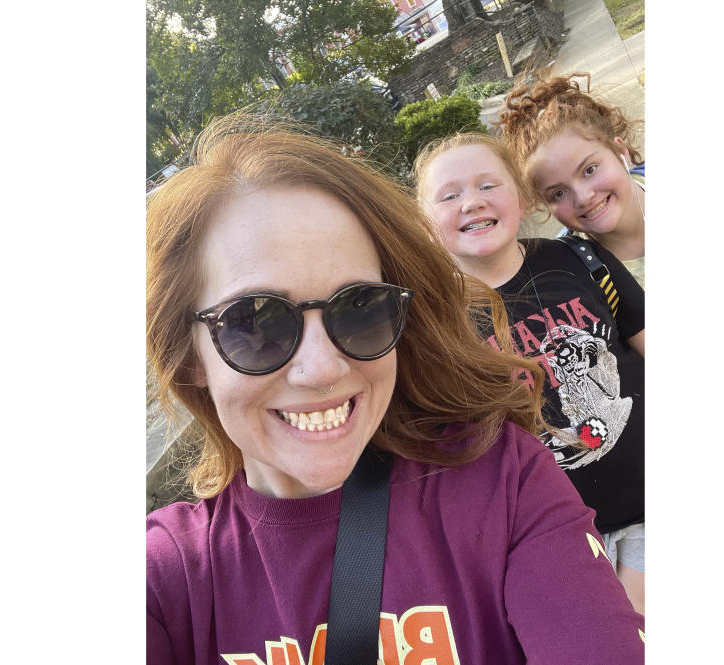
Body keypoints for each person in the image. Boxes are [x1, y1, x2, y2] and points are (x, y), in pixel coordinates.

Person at [146, 113, 645, 664]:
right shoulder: (166, 579)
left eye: (360, 308)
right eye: (255, 323)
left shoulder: (504, 482)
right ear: (188, 355)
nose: (322, 369)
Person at [414, 132, 646, 614]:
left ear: (522, 197)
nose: (472, 203)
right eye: (450, 195)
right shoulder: (434, 324)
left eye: (487, 185)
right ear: (425, 222)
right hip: (557, 537)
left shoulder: (581, 259)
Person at [500, 73, 646, 288]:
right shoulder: (571, 279)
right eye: (558, 193)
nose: (583, 197)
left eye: (589, 170)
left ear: (620, 151)